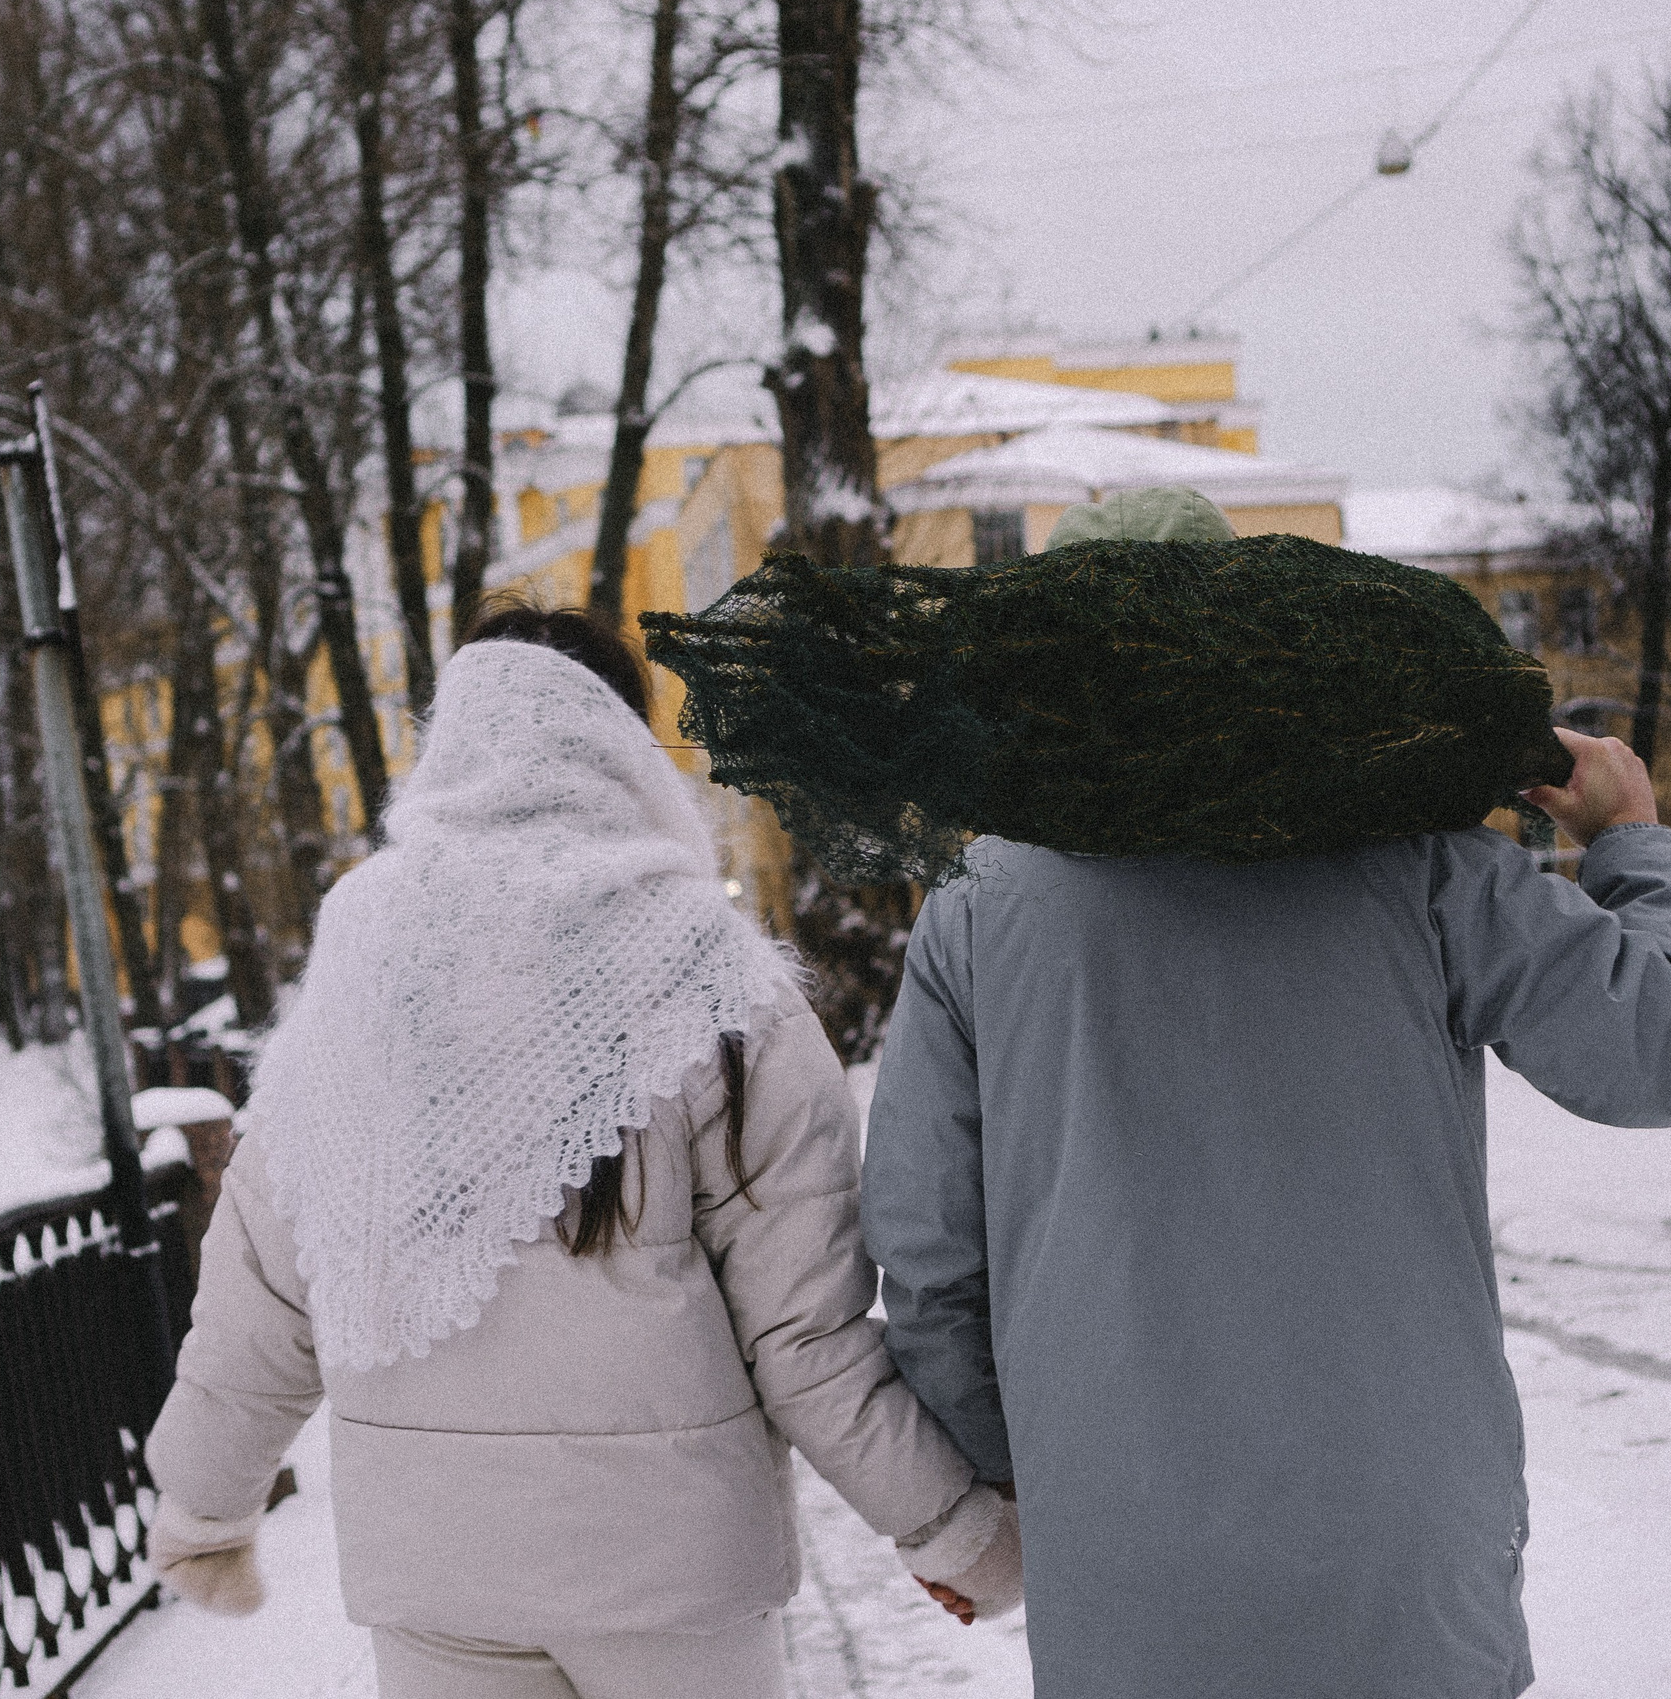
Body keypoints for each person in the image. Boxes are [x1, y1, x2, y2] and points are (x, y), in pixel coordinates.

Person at [141, 604, 1021, 1699]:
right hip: (672, 1575)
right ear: (621, 745)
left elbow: (264, 1283)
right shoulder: (710, 973)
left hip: (434, 1569)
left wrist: (203, 1503)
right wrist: (952, 1530)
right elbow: (805, 1337)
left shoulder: (361, 958)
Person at [864, 724, 1671, 1698]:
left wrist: (992, 1500)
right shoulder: (1424, 861)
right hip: (1403, 1581)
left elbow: (928, 1255)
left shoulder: (980, 898)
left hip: (1129, 1587)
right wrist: (1629, 836)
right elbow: (1664, 1053)